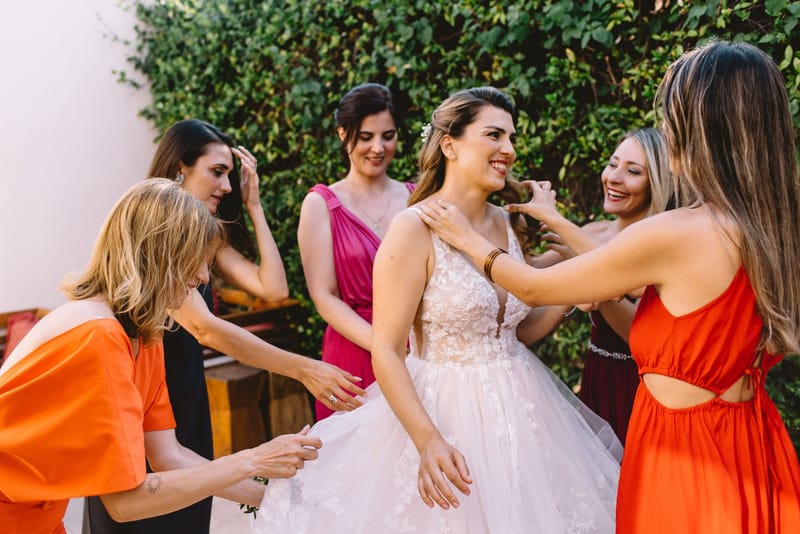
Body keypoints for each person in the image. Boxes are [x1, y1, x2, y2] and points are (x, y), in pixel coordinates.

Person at [419, 42, 800, 532]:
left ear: (704, 129)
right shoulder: (772, 230)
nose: (666, 129)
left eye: (673, 117)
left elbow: (535, 288)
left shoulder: (679, 232)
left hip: (688, 457)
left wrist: (468, 241)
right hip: (750, 440)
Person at [251, 87, 622, 533]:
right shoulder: (413, 228)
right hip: (444, 409)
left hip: (524, 407)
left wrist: (566, 301)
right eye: (494, 135)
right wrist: (428, 442)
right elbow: (386, 350)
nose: (509, 149)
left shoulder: (505, 222)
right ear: (450, 144)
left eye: (511, 137)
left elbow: (515, 333)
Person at [84, 119, 365, 533]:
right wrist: (305, 369)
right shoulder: (156, 241)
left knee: (190, 506)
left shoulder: (205, 239)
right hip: (144, 396)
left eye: (231, 175)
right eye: (217, 172)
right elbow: (206, 328)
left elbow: (273, 287)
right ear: (181, 168)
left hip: (183, 394)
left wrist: (255, 206)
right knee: (148, 509)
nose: (228, 186)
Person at [0, 179, 321, 534]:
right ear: (158, 254)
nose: (201, 277)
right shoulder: (99, 336)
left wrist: (276, 497)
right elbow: (126, 501)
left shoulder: (145, 333)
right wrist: (251, 459)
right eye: (196, 261)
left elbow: (169, 456)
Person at [531, 127, 672, 444]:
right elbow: (531, 279)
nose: (614, 178)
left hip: (639, 384)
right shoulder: (591, 230)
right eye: (613, 164)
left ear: (657, 183)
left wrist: (595, 285)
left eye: (633, 171)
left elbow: (642, 336)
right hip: (596, 375)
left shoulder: (658, 244)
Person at [297, 83, 415, 420]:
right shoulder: (320, 204)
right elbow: (324, 297)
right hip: (352, 352)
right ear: (342, 134)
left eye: (387, 136)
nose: (378, 148)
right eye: (365, 137)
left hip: (415, 346)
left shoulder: (417, 196)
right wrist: (385, 345)